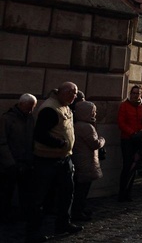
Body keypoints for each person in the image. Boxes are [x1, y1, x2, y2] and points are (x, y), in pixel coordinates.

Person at [26, 82, 82, 243]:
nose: (74, 97)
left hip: (64, 158)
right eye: (72, 93)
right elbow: (40, 134)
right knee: (40, 198)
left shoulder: (65, 106)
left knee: (67, 193)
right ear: (62, 92)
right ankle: (33, 232)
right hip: (46, 159)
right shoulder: (50, 109)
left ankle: (63, 223)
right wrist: (60, 143)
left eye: (76, 94)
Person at [0, 93, 36, 222]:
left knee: (25, 192)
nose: (31, 110)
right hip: (11, 163)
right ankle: (4, 216)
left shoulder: (30, 118)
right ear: (21, 104)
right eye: (29, 107)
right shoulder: (7, 119)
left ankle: (22, 215)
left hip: (26, 161)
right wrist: (10, 162)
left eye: (33, 107)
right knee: (6, 192)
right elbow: (2, 141)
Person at [71, 101, 105, 221]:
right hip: (86, 161)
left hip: (80, 159)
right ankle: (77, 212)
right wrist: (102, 140)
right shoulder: (86, 127)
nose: (95, 114)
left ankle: (79, 209)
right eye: (93, 111)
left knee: (80, 189)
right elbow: (94, 144)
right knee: (82, 190)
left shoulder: (77, 124)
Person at [117, 85, 142, 202]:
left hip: (139, 139)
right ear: (130, 94)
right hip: (127, 139)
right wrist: (132, 133)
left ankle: (129, 192)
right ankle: (123, 192)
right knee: (127, 165)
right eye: (134, 93)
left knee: (134, 166)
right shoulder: (124, 105)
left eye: (137, 93)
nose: (135, 95)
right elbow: (121, 122)